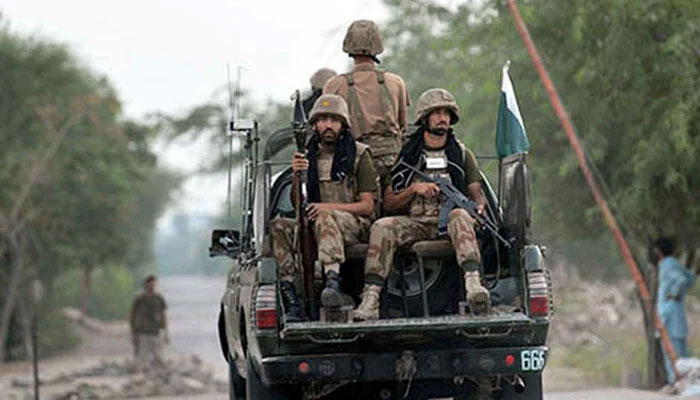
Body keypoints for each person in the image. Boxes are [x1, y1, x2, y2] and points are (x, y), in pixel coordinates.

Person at [354, 88, 490, 321]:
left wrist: (477, 208)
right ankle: (370, 299)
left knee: (460, 215)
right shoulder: (408, 155)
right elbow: (389, 201)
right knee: (382, 227)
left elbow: (476, 192)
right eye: (436, 113)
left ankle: (473, 286)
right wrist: (413, 190)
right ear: (424, 118)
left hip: (450, 224)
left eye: (446, 113)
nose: (442, 118)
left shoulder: (461, 153)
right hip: (416, 223)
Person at [271, 94, 378, 322]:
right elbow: (299, 204)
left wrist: (325, 207)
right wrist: (298, 174)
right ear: (314, 125)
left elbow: (368, 206)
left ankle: (332, 281)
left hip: (354, 225)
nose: (327, 125)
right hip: (317, 223)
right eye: (322, 119)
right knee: (279, 225)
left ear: (343, 124)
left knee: (324, 215)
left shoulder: (359, 155)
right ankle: (291, 293)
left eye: (333, 120)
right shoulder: (308, 155)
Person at [323, 19, 410, 186]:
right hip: (393, 161)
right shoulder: (395, 82)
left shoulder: (334, 85)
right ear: (378, 45)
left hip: (353, 160)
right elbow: (402, 125)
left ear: (348, 46)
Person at [654, 237, 696, 388]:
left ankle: (676, 382)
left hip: (668, 315)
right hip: (676, 313)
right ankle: (686, 382)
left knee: (671, 351)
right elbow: (690, 278)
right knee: (681, 350)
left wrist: (673, 293)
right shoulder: (674, 263)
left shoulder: (666, 264)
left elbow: (681, 280)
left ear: (658, 251)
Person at [129, 275, 168, 371]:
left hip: (155, 331)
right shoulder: (139, 299)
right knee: (142, 357)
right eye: (150, 285)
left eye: (154, 285)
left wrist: (166, 332)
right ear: (146, 285)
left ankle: (157, 377)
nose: (152, 287)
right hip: (142, 332)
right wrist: (133, 333)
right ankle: (140, 377)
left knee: (159, 357)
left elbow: (163, 315)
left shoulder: (159, 299)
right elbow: (132, 316)